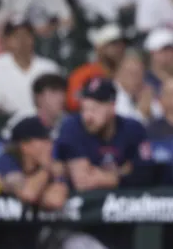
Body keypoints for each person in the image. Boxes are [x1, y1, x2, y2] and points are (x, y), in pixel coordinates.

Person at [54, 77, 152, 249]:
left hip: (124, 224)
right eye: (84, 108)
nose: (87, 116)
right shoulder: (73, 126)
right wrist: (121, 174)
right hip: (80, 224)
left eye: (94, 109)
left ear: (111, 107)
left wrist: (103, 176)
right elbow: (83, 182)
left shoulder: (132, 128)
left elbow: (146, 173)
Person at [0, 117, 68, 249]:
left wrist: (41, 177)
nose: (50, 145)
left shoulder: (50, 165)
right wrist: (46, 171)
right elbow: (28, 194)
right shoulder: (6, 162)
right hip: (0, 240)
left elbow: (55, 200)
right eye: (43, 140)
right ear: (25, 146)